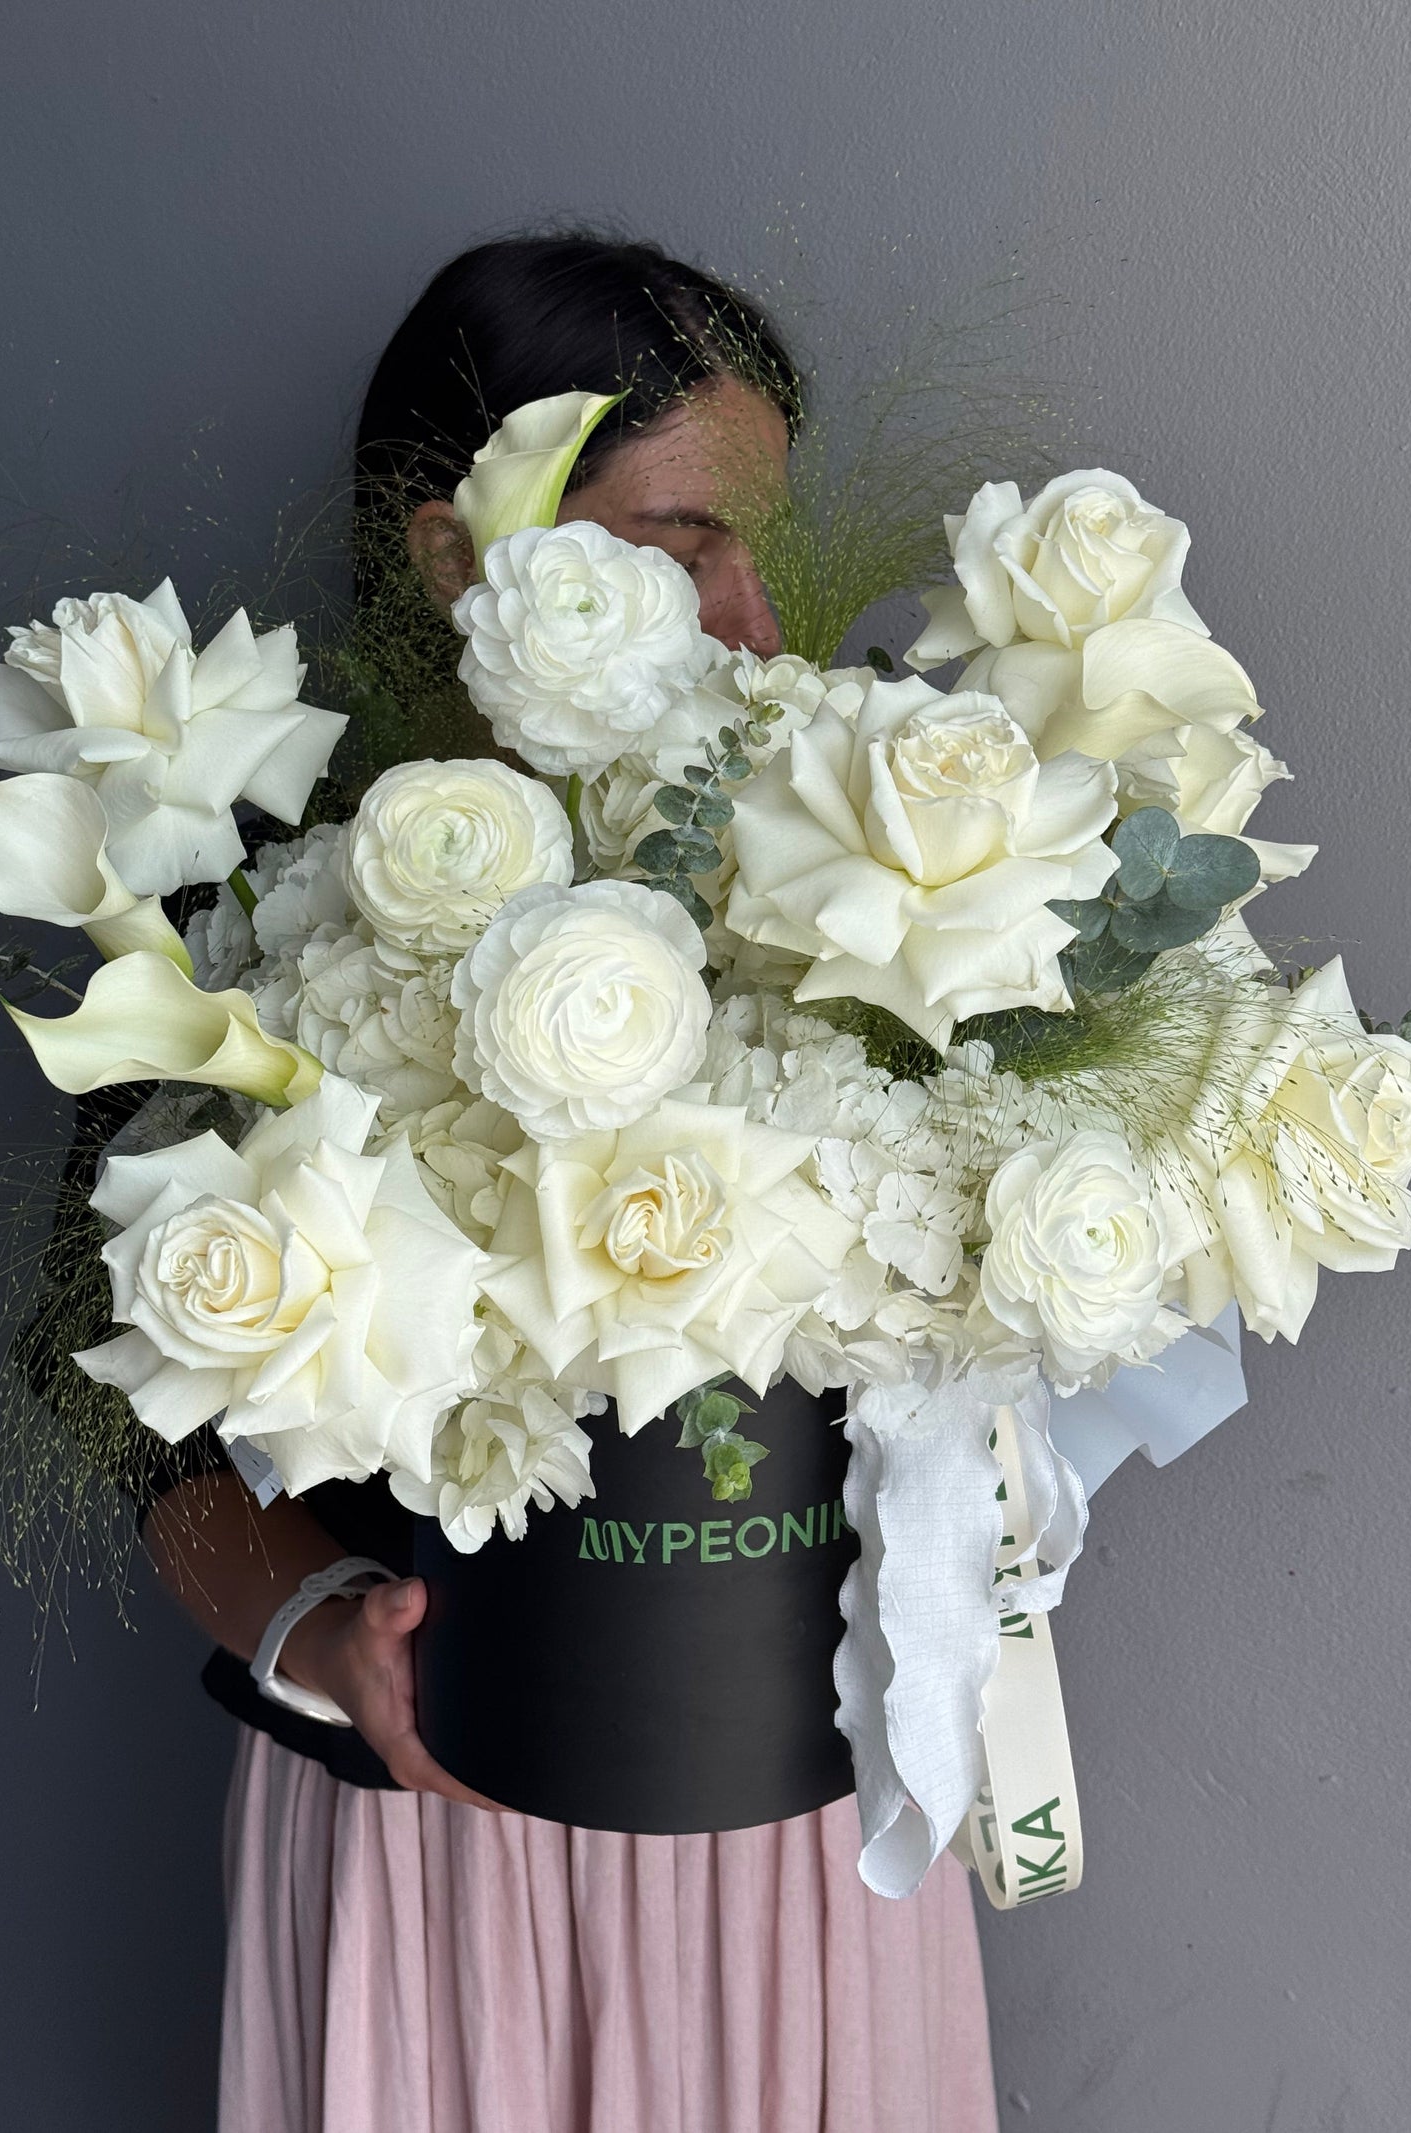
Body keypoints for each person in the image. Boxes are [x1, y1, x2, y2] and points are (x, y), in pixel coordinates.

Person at [142, 231, 1000, 2133]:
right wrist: (323, 1632)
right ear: (458, 556)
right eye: (684, 541)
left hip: (801, 1835)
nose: (755, 621)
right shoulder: (252, 910)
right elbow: (127, 1425)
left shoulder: (860, 853)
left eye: (765, 546)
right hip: (432, 1839)